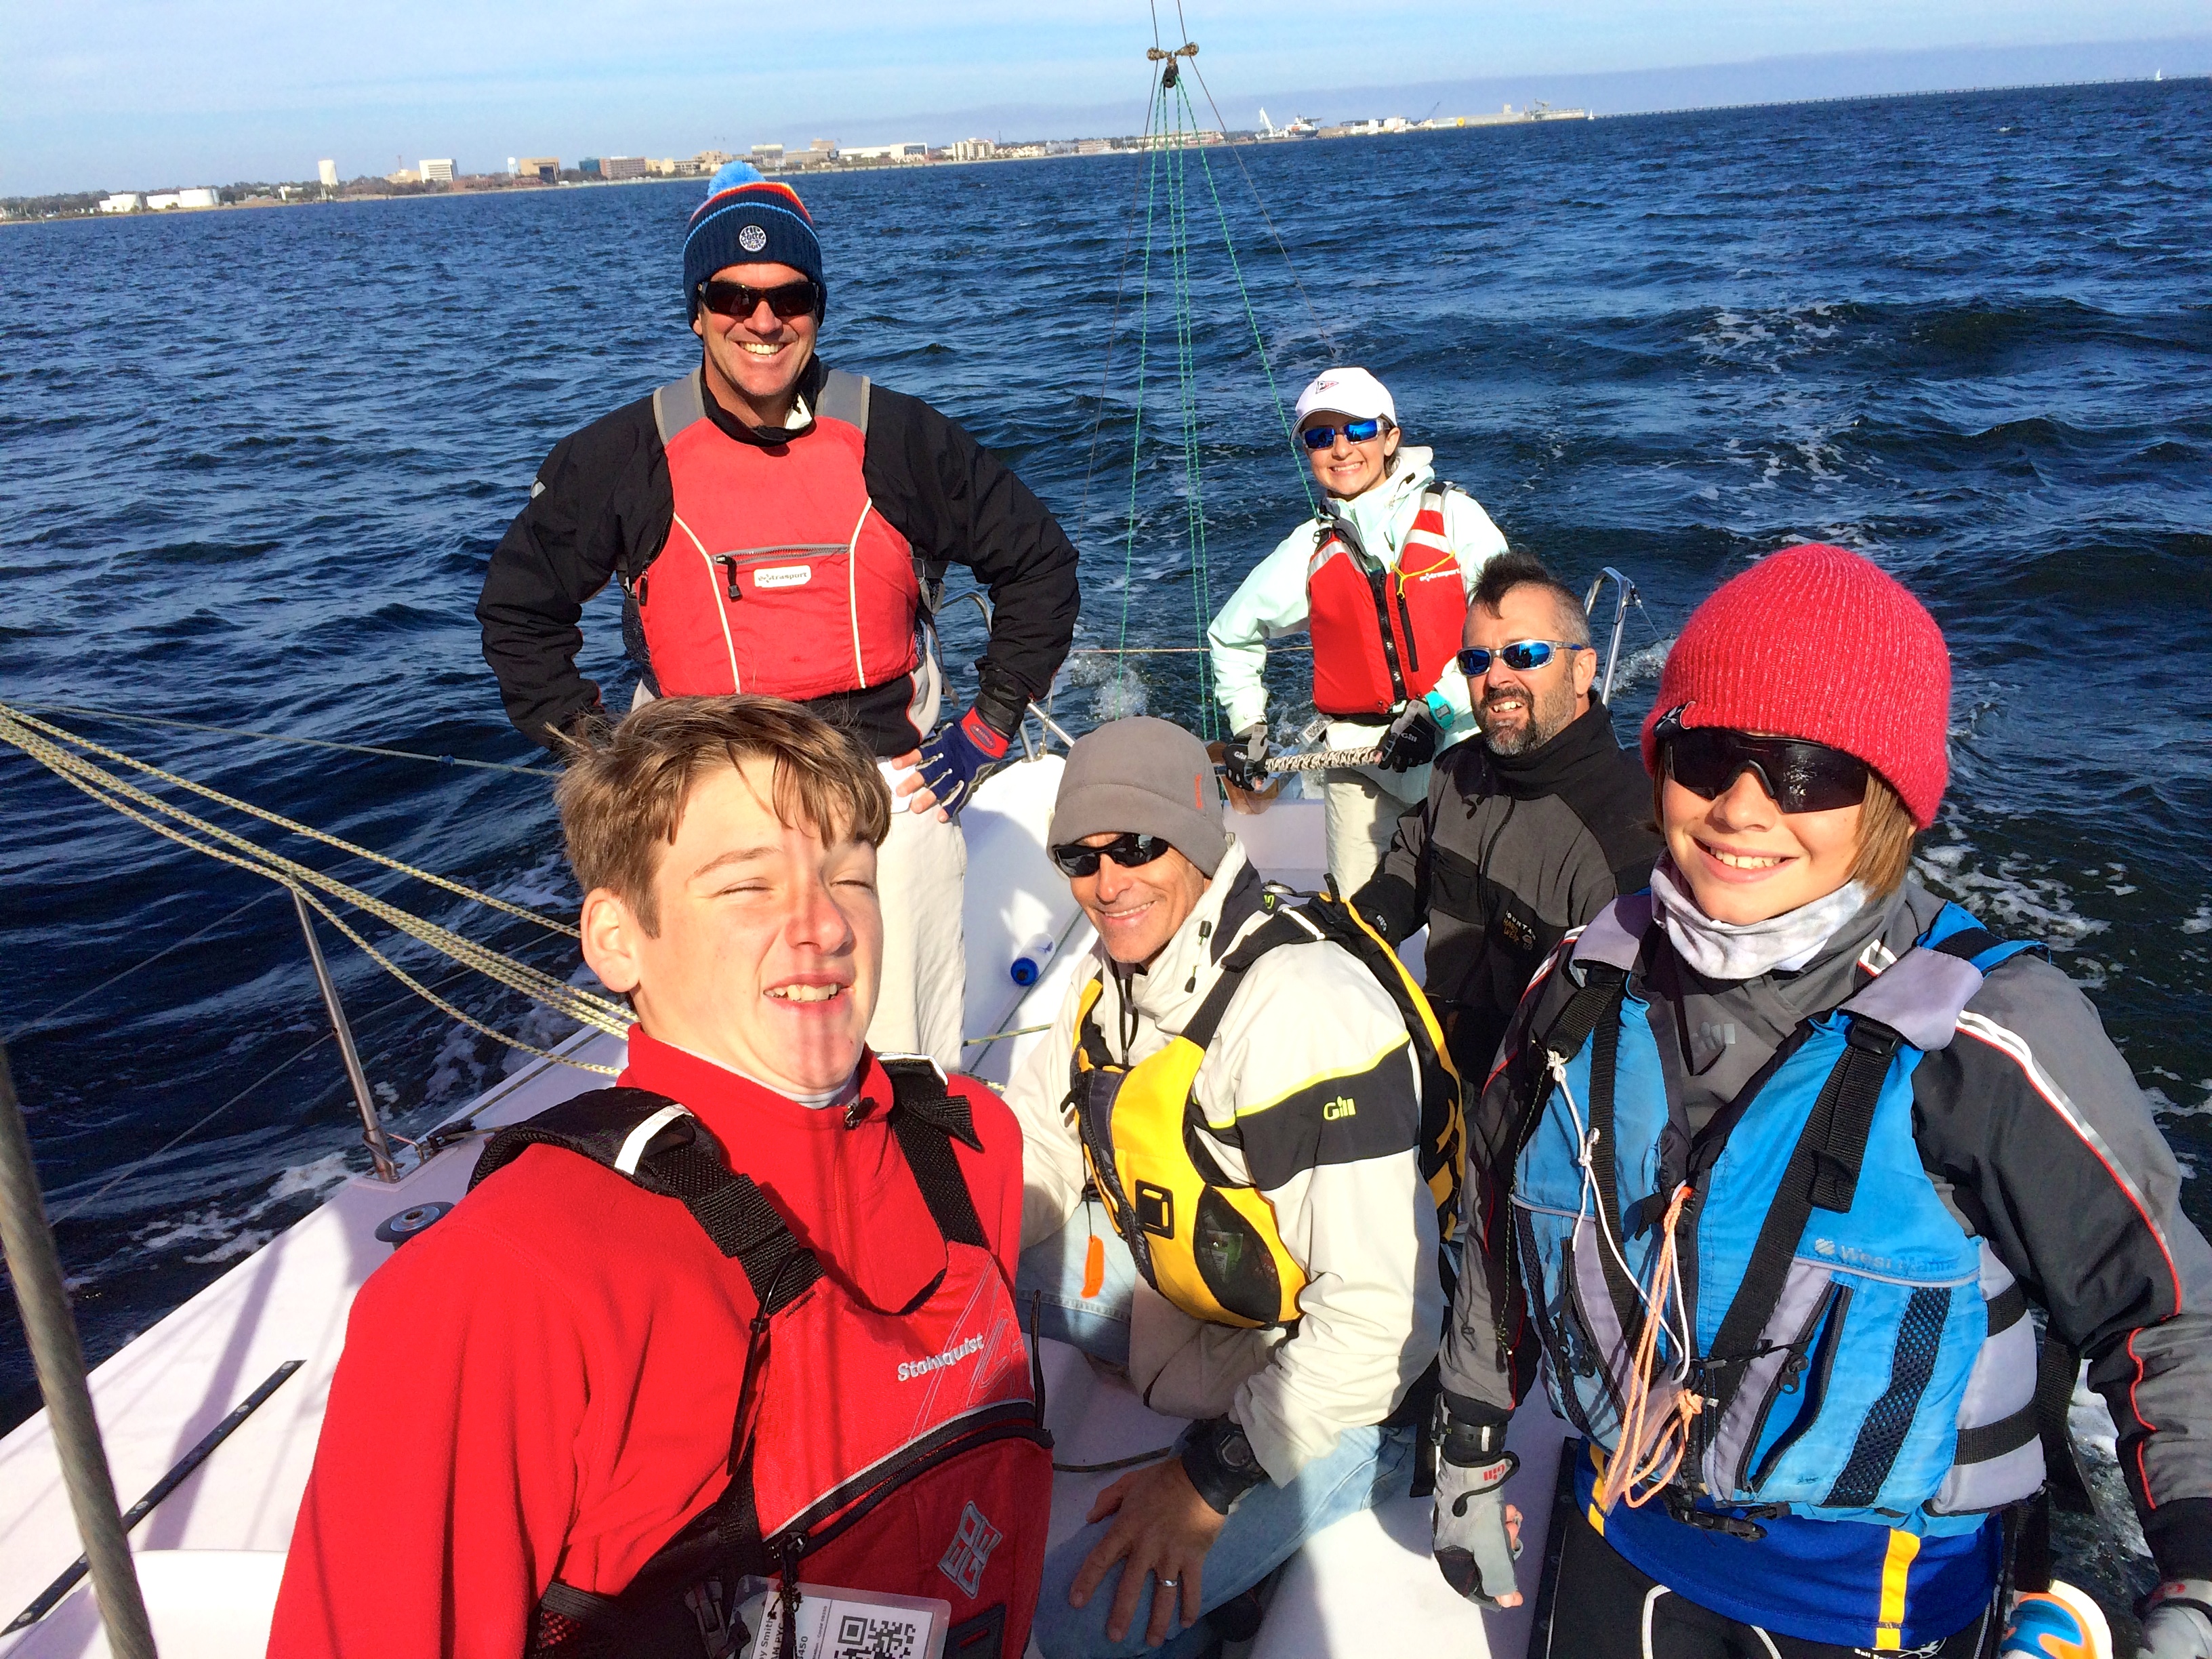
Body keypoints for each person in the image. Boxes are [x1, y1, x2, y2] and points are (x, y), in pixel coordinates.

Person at [1427, 544, 2212, 1658]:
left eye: (1806, 770)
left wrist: (2197, 1577)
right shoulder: (1577, 985)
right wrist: (1468, 1439)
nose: (1741, 808)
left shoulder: (1990, 1033)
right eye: (1706, 756)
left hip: (1882, 1592)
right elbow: (1500, 1224)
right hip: (1622, 1528)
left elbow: (2163, 1309)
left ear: (1888, 796)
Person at [268, 697, 1051, 1659]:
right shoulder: (504, 1282)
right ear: (615, 940)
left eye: (851, 878)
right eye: (746, 887)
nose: (825, 925)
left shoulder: (973, 1144)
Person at [475, 163, 1082, 1072]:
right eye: (734, 296)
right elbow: (520, 611)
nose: (763, 320)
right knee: (721, 1063)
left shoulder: (900, 438)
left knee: (905, 1063)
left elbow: (1039, 562)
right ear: (697, 310)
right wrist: (598, 753)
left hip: (886, 794)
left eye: (789, 297)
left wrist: (987, 730)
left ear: (817, 307)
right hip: (698, 802)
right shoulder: (621, 457)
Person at [1002, 716, 1458, 1658]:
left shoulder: (1302, 1011)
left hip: (1361, 1391)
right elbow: (1041, 1150)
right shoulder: (1110, 978)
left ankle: (1248, 1576)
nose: (1108, 884)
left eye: (1137, 846)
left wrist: (1208, 1479)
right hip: (1214, 1305)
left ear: (1198, 843)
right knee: (979, 1273)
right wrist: (961, 1236)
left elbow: (1382, 1324)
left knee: (1069, 1622)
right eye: (1080, 857)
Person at [1351, 550, 1662, 1085]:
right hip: (1436, 1059)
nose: (1496, 678)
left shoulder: (1623, 841)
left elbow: (1608, 1045)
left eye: (1524, 654)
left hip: (1527, 1093)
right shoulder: (1459, 770)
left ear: (1582, 669)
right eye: (1476, 661)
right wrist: (1354, 935)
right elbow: (1410, 867)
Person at [1208, 366, 1508, 895]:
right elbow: (1231, 635)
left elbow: (1507, 631)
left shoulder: (1455, 518)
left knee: (1472, 906)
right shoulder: (1308, 548)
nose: (1341, 449)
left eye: (1360, 430)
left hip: (1461, 752)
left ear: (1391, 439)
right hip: (1360, 767)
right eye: (1321, 437)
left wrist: (1437, 711)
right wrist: (1248, 726)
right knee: (1358, 914)